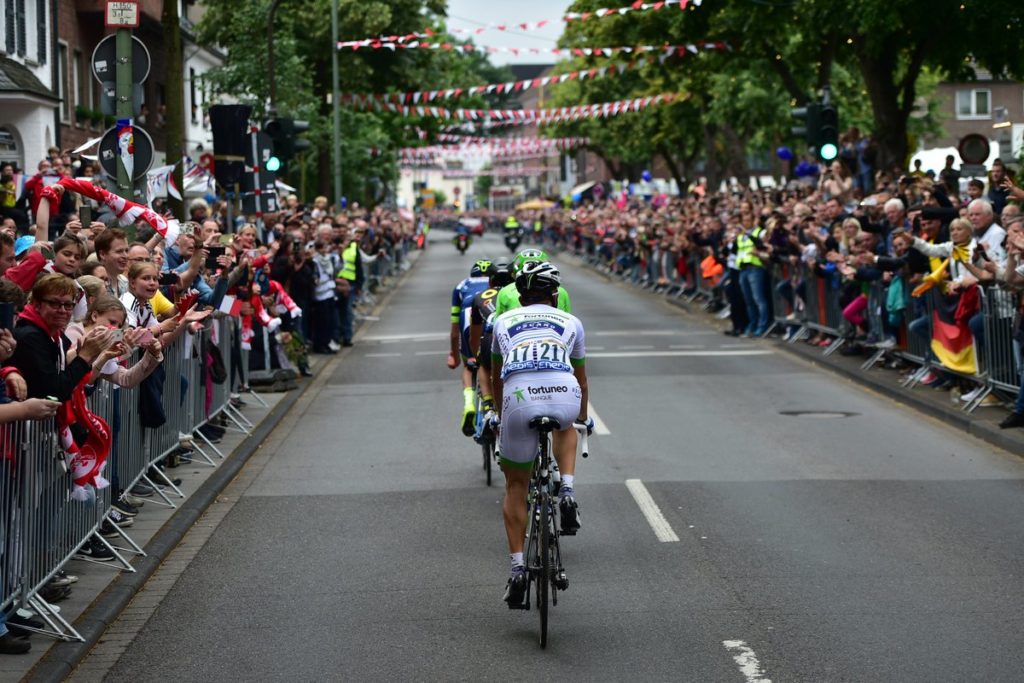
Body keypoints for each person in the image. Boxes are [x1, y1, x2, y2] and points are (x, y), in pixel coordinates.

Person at [488, 261, 591, 607]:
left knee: (516, 485)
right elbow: (582, 379)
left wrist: (501, 418)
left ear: (519, 296)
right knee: (567, 425)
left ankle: (518, 569)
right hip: (564, 391)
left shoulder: (501, 320)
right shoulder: (571, 322)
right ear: (554, 295)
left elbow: (495, 376)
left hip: (518, 397)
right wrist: (583, 417)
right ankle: (567, 488)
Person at [447, 259, 491, 435]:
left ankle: (469, 403)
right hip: (490, 326)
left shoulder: (462, 285)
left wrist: (455, 355)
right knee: (490, 364)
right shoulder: (501, 285)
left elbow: (454, 331)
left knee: (469, 365)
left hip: (468, 323)